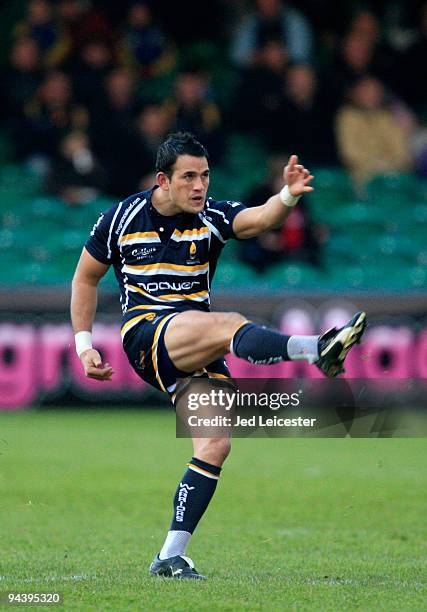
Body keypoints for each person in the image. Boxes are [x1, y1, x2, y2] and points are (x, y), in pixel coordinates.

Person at [70, 132, 366, 580]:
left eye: (204, 176)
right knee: (229, 324)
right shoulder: (120, 218)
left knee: (215, 445)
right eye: (188, 177)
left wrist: (286, 194)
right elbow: (84, 279)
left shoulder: (210, 216)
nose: (199, 186)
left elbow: (260, 220)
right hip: (147, 335)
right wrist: (84, 345)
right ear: (162, 180)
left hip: (196, 340)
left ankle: (169, 556)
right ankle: (316, 349)